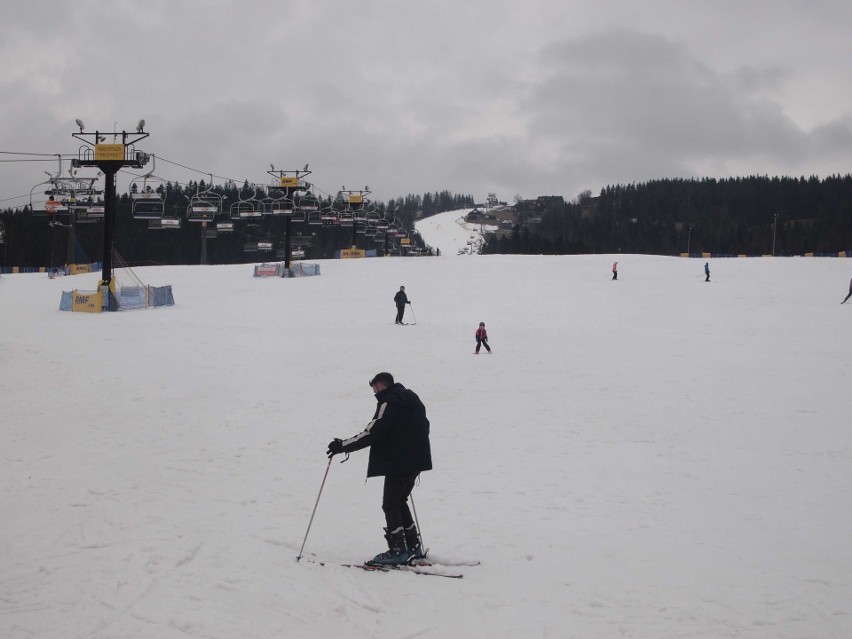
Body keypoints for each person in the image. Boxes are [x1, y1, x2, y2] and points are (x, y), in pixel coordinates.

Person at [327, 372, 432, 566]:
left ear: (380, 386)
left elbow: (372, 432)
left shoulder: (389, 402)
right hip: (418, 460)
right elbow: (425, 425)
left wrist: (342, 446)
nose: (374, 392)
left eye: (374, 388)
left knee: (391, 503)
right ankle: (413, 546)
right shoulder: (413, 399)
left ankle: (398, 551)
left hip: (399, 462)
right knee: (399, 501)